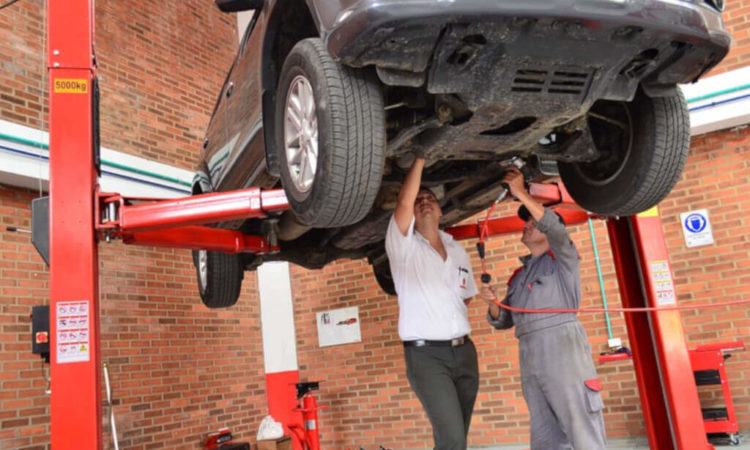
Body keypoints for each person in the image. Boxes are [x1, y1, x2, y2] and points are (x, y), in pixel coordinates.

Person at [481, 167, 607, 450]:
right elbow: (505, 322)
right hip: (530, 354)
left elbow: (556, 229)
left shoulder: (563, 259)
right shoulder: (519, 275)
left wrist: (521, 193)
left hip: (562, 347)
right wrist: (492, 304)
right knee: (544, 433)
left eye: (533, 223)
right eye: (525, 222)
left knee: (580, 424)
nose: (526, 225)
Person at [385, 156, 479, 450]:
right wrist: (421, 159)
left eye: (431, 199)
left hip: (464, 351)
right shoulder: (403, 247)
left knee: (456, 438)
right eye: (419, 199)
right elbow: (403, 202)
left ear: (440, 210)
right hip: (427, 357)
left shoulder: (456, 249)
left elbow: (467, 294)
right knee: (452, 439)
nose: (424, 201)